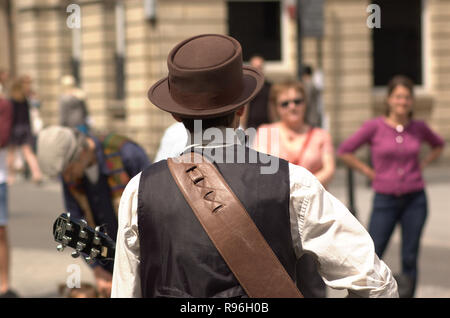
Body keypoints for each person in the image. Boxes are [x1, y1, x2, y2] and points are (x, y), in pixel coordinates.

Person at [111, 34, 398, 298]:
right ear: (242, 107)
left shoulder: (140, 191)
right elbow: (376, 283)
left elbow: (125, 292)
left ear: (175, 114)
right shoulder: (294, 182)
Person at [337, 75, 445, 298]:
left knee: (409, 256)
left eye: (406, 97)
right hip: (385, 200)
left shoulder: (419, 127)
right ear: (388, 100)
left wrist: (422, 164)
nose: (402, 102)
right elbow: (345, 151)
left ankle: (406, 294)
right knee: (372, 252)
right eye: (398, 97)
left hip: (415, 200)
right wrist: (368, 172)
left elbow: (439, 145)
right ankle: (364, 294)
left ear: (412, 101)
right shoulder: (374, 127)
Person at [36, 126, 150, 298]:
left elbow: (154, 207)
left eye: (67, 171)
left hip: (145, 256)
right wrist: (97, 269)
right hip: (108, 258)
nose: (66, 178)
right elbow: (76, 222)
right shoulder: (70, 175)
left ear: (81, 153)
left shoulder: (126, 153)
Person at [252, 80, 335, 297]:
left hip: (312, 218)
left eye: (297, 101)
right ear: (276, 107)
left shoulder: (320, 135)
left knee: (313, 283)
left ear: (305, 103)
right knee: (279, 281)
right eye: (285, 103)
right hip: (276, 219)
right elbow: (259, 171)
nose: (292, 107)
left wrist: (298, 190)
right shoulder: (265, 132)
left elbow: (329, 170)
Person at [7, 76, 43, 184]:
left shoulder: (12, 99)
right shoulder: (26, 99)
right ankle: (37, 174)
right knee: (28, 152)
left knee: (11, 153)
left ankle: (11, 176)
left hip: (14, 128)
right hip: (25, 127)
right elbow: (38, 105)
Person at [0, 92, 18, 298]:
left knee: (1, 232)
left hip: (0, 177)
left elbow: (3, 138)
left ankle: (4, 285)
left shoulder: (4, 104)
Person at [243, 55, 272, 131]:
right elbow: (245, 108)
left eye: (260, 67)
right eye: (256, 68)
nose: (258, 70)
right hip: (251, 126)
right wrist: (243, 127)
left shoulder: (269, 87)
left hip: (267, 124)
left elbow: (272, 107)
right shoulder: (247, 86)